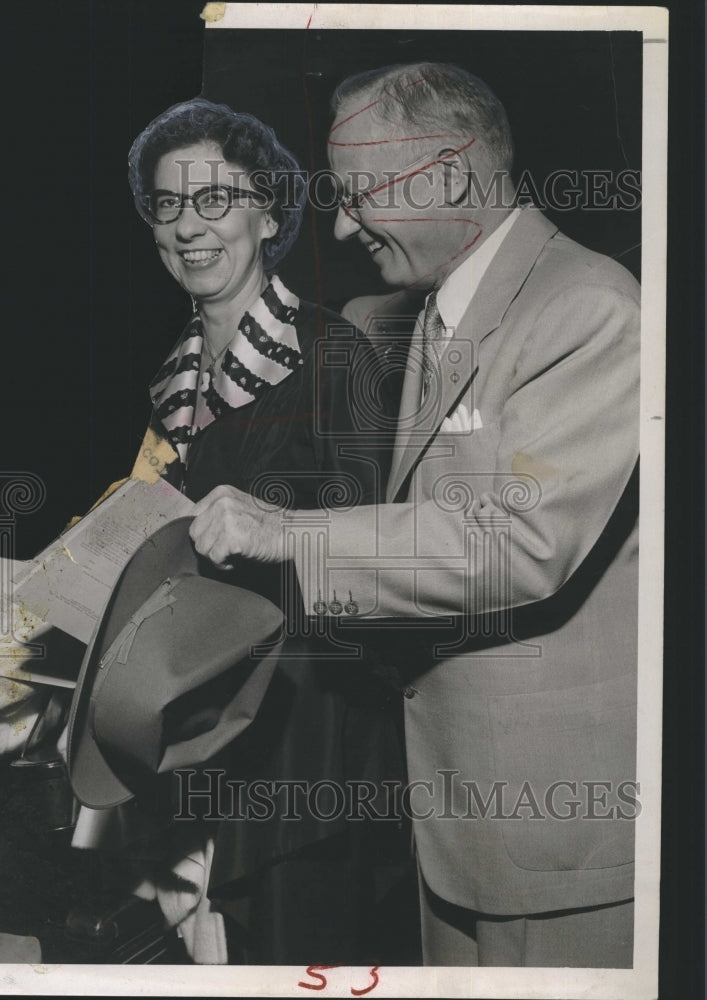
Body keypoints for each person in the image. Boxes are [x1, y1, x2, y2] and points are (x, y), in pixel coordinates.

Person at [189, 64, 640, 968]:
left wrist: (288, 534)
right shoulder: (424, 314)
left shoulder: (586, 308)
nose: (344, 225)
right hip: (453, 823)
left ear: (449, 177)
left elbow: (514, 541)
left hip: (553, 845)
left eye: (357, 196)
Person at [119, 97, 413, 965]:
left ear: (271, 214)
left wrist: (271, 532)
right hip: (198, 740)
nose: (188, 226)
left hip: (309, 757)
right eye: (168, 205)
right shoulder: (167, 385)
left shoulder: (332, 353)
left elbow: (375, 553)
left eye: (215, 199)